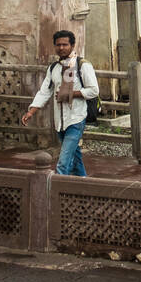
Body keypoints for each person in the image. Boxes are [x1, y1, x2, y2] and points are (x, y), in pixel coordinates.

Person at [20, 30, 100, 176]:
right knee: (75, 158)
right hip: (59, 122)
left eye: (65, 44)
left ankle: (53, 193)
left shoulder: (82, 65)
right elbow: (45, 91)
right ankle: (82, 184)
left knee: (63, 162)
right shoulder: (54, 68)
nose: (61, 48)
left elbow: (94, 90)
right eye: (58, 45)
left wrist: (72, 94)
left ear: (72, 45)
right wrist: (31, 111)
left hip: (76, 119)